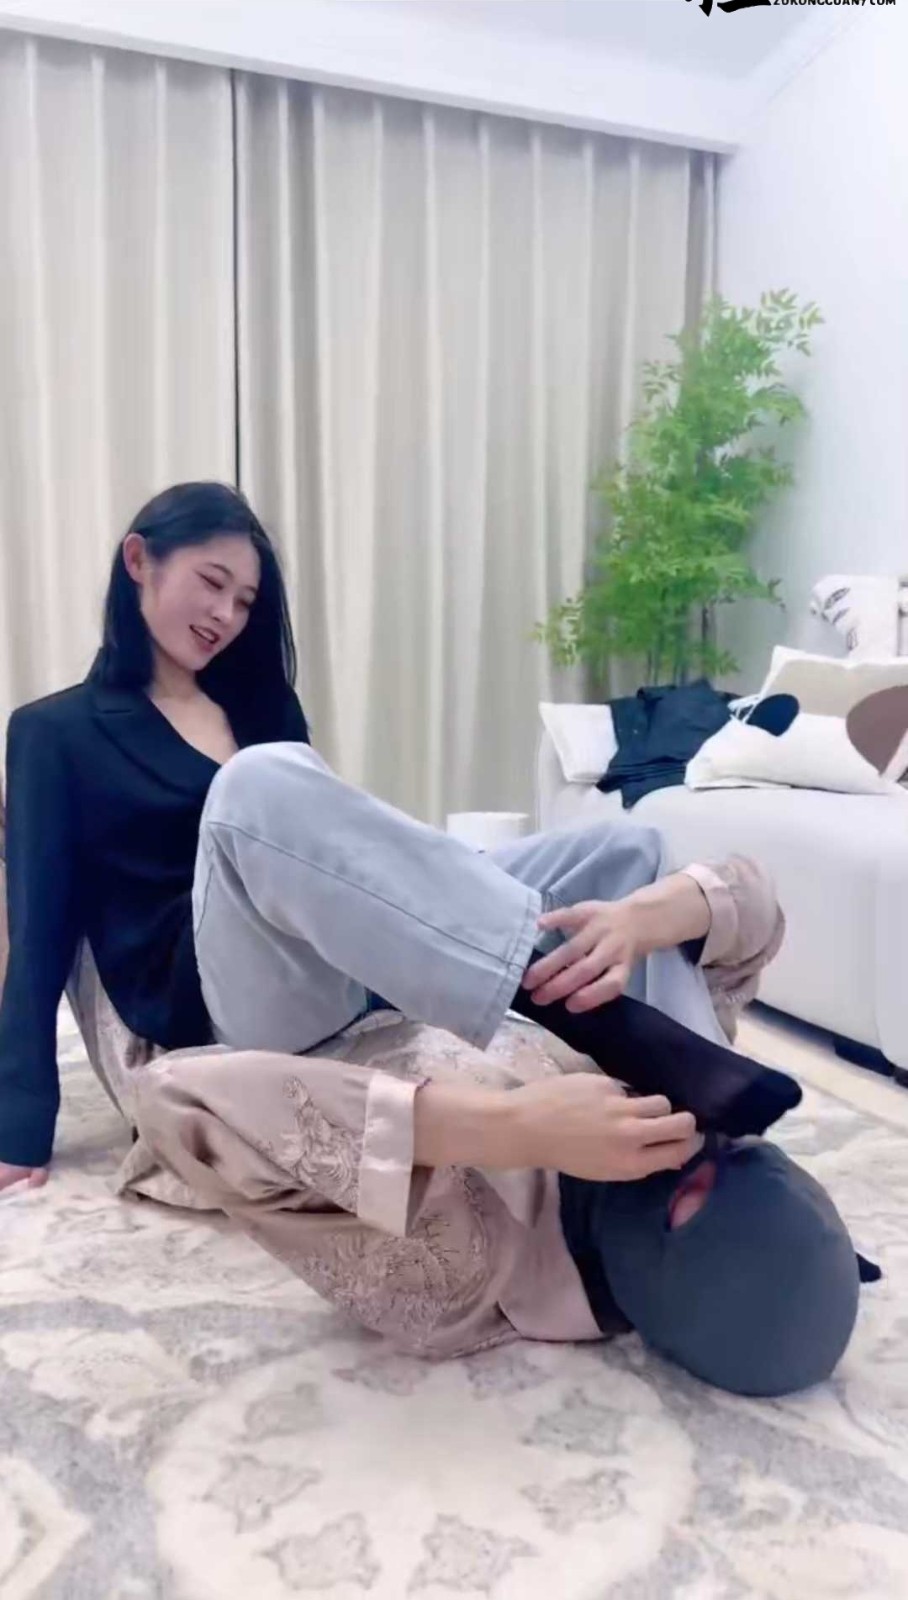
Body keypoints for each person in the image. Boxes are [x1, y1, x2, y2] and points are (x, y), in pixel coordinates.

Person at [0, 480, 866, 1394]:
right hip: (211, 1002)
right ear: (139, 561)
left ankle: (687, 1103)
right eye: (212, 584)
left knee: (626, 850)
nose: (226, 615)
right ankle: (572, 1005)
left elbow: (330, 856)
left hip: (326, 971)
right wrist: (20, 1126)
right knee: (257, 787)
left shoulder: (257, 707)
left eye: (245, 601)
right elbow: (41, 927)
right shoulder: (54, 732)